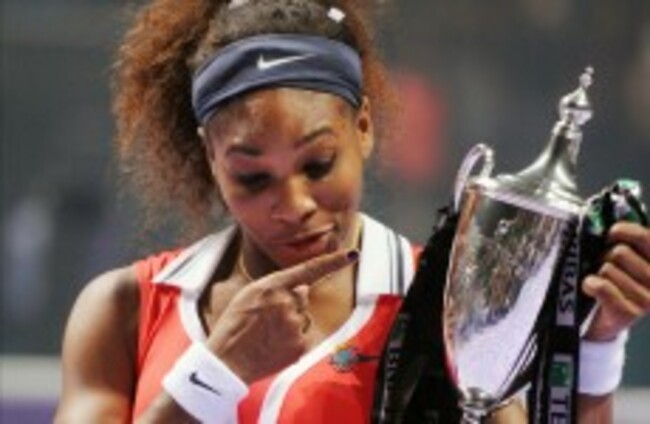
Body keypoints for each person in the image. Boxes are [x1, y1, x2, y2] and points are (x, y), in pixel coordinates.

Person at [55, 0, 650, 423]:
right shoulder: (124, 308)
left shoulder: (445, 311)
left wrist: (597, 350)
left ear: (363, 128)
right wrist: (214, 372)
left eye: (318, 164)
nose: (294, 205)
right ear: (211, 157)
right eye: (253, 176)